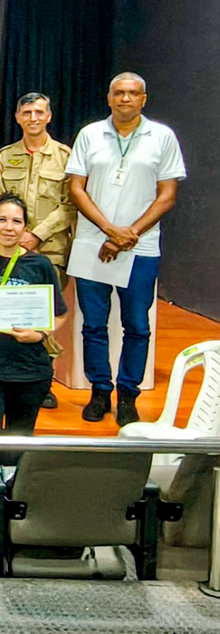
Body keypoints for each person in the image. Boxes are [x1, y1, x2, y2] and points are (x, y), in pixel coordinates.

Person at [67, 73, 186, 425]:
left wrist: (128, 234)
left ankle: (128, 395)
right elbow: (76, 188)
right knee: (93, 324)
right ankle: (100, 390)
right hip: (93, 243)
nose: (125, 99)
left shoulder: (162, 137)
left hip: (141, 247)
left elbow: (167, 196)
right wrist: (108, 230)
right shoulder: (90, 134)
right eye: (119, 93)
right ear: (109, 98)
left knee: (136, 325)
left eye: (133, 93)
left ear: (144, 100)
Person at [0, 194, 69, 464]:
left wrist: (40, 334)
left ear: (25, 227)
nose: (8, 227)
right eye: (1, 220)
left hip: (28, 371)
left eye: (16, 221)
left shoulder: (39, 265)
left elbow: (59, 314)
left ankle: (12, 502)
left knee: (16, 449)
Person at [0, 92, 76, 409]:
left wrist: (36, 235)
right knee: (12, 311)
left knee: (42, 315)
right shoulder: (5, 156)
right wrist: (15, 234)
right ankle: (12, 373)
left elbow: (70, 205)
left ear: (49, 116)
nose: (33, 118)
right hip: (9, 247)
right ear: (17, 117)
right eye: (27, 112)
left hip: (50, 250)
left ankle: (43, 379)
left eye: (39, 112)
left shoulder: (65, 157)